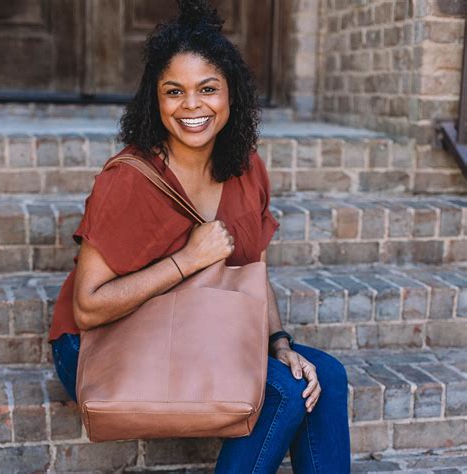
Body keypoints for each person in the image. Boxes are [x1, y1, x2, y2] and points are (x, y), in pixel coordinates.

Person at [48, 1, 351, 472]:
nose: (191, 105)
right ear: (156, 99)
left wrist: (281, 345)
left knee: (325, 377)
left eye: (207, 89)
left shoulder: (246, 168)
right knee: (285, 391)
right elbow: (88, 307)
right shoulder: (129, 181)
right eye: (174, 91)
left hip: (203, 326)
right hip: (104, 346)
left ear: (232, 95)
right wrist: (187, 261)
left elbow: (255, 269)